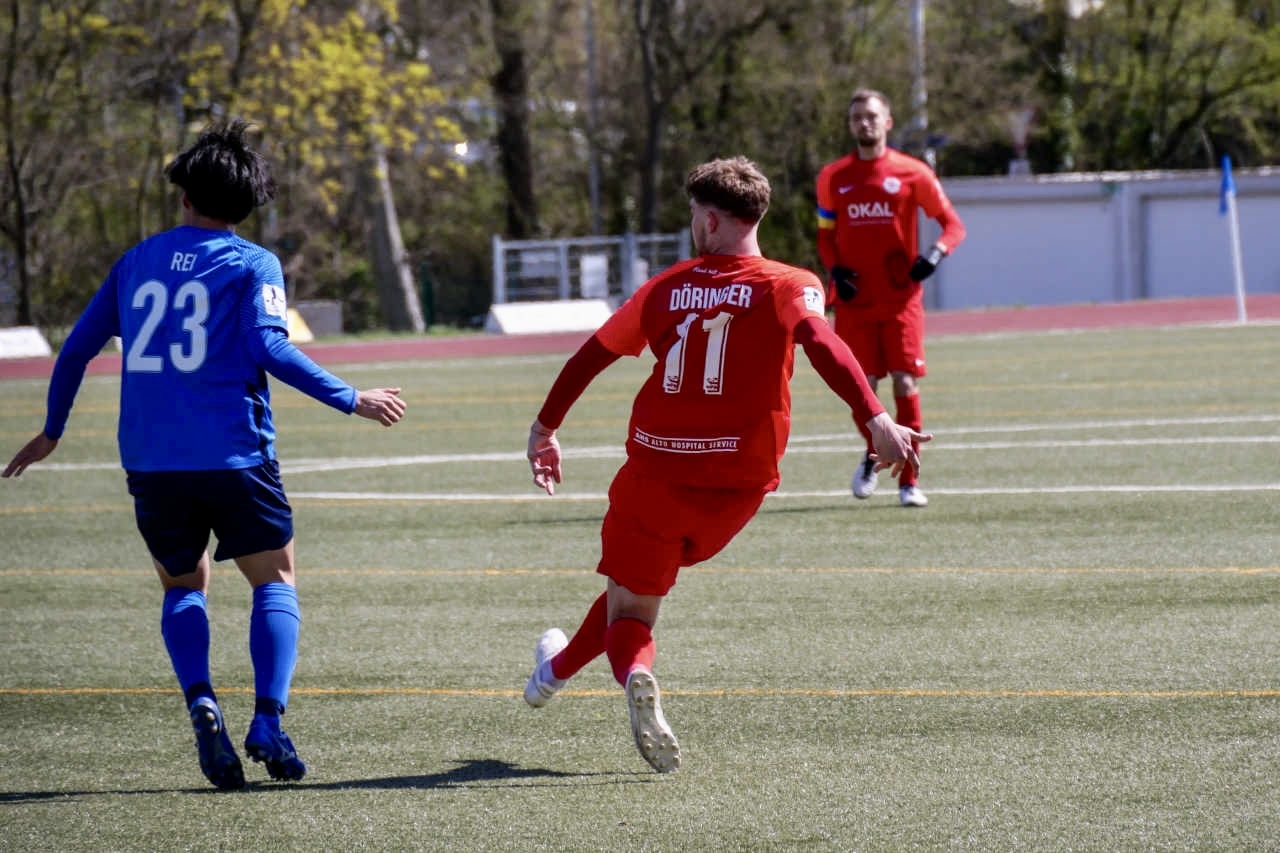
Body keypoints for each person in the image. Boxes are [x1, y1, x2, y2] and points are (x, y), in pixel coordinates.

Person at [2, 119, 407, 790]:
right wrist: (350, 397)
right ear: (246, 203)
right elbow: (268, 346)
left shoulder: (136, 261)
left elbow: (75, 349)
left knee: (183, 586)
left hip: (151, 460)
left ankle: (202, 701)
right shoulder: (253, 263)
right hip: (235, 453)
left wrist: (52, 430)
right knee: (274, 580)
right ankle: (268, 719)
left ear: (185, 195)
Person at [521, 156, 930, 773]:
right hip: (738, 487)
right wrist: (875, 419)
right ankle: (552, 672)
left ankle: (634, 672)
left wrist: (544, 429)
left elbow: (591, 356)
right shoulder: (791, 283)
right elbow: (821, 341)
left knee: (631, 611)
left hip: (656, 473)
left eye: (693, 214)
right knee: (632, 587)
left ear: (710, 220)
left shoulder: (665, 287)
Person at [815, 87, 966, 508]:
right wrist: (835, 270)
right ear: (850, 125)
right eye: (856, 117)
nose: (864, 123)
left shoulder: (913, 172)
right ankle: (873, 454)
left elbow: (953, 225)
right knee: (862, 388)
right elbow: (825, 236)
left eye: (871, 116)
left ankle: (909, 482)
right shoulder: (833, 177)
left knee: (904, 381)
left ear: (888, 122)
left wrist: (934, 255)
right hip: (854, 303)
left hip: (901, 300)